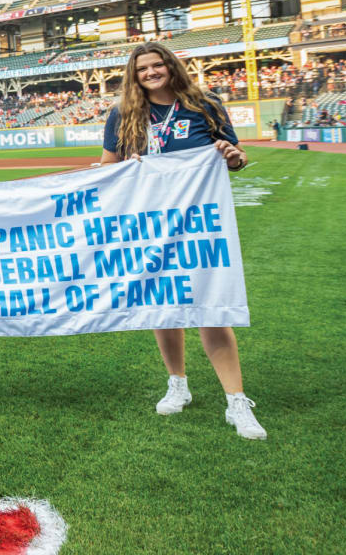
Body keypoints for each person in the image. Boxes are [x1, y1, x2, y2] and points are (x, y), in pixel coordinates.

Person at [100, 41, 266, 440]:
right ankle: (178, 383)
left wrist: (232, 155)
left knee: (212, 309)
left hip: (198, 225)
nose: (151, 73)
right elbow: (107, 169)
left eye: (158, 65)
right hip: (149, 225)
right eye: (143, 69)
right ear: (134, 75)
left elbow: (236, 157)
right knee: (163, 308)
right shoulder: (123, 113)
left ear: (171, 66)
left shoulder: (204, 104)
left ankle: (237, 402)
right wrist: (128, 168)